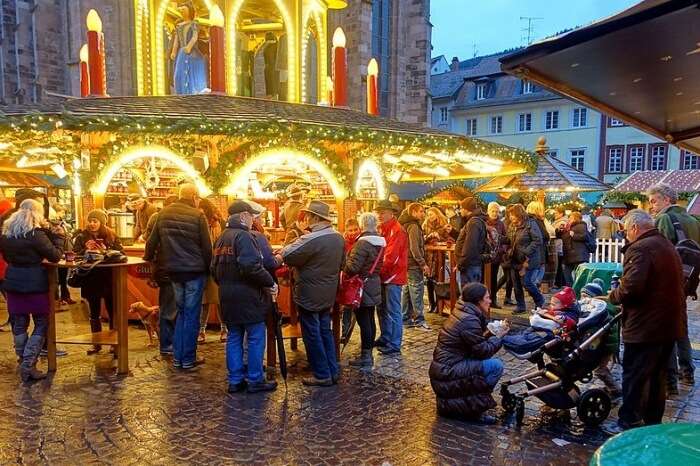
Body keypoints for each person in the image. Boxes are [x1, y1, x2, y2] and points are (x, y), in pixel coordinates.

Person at [605, 209, 686, 434]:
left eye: (625, 231)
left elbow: (631, 288)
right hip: (667, 323)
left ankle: (628, 420)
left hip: (646, 324)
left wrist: (613, 295)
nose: (625, 236)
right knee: (656, 375)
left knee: (635, 374)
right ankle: (652, 421)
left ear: (634, 228)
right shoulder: (665, 245)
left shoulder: (641, 248)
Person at [144, 183, 212, 371]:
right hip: (194, 271)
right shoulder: (198, 215)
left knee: (181, 313)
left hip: (173, 271)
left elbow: (151, 243)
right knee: (191, 315)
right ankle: (188, 358)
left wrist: (149, 260)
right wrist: (209, 269)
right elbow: (207, 247)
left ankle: (177, 358)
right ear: (195, 196)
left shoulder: (163, 214)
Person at [212, 200, 277, 393]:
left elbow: (213, 269)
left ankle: (235, 380)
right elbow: (251, 267)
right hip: (248, 296)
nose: (253, 220)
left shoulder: (221, 238)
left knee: (234, 337)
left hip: (227, 296)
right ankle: (255, 379)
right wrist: (270, 282)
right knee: (256, 337)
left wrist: (225, 285)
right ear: (243, 216)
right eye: (251, 216)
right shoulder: (244, 237)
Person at [279, 200, 344, 386]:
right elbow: (342, 264)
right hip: (328, 292)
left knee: (312, 333)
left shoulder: (309, 239)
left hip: (309, 292)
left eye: (308, 215)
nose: (305, 218)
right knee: (325, 330)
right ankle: (333, 370)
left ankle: (322, 373)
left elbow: (287, 255)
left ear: (315, 218)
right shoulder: (338, 237)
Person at [1, 199, 64, 381]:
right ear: (37, 213)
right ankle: (28, 364)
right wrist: (59, 238)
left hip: (13, 281)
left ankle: (23, 360)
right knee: (41, 323)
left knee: (19, 323)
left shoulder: (6, 234)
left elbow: (6, 256)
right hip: (35, 282)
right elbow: (55, 256)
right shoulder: (35, 234)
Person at [429, 283, 509, 424]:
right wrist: (499, 337)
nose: (490, 301)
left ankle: (467, 404)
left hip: (444, 370)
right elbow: (482, 351)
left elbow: (473, 344)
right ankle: (474, 406)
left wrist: (490, 333)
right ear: (478, 300)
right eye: (488, 298)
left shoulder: (463, 312)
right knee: (496, 366)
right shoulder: (469, 319)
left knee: (488, 366)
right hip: (447, 373)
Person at [647, 183, 698, 392]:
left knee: (664, 330)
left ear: (666, 199)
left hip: (666, 284)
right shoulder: (693, 220)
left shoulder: (664, 219)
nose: (651, 206)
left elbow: (659, 252)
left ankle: (670, 381)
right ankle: (688, 371)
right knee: (681, 325)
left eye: (654, 200)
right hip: (687, 281)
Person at [73, 209, 124, 355]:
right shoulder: (82, 236)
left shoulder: (111, 235)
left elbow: (121, 253)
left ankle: (114, 343)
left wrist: (106, 251)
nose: (92, 224)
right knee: (94, 312)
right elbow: (75, 255)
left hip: (108, 277)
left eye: (95, 221)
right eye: (90, 221)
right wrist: (85, 249)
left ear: (101, 222)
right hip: (90, 277)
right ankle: (96, 344)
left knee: (112, 310)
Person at [343, 212, 385, 368]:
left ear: (362, 225)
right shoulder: (380, 242)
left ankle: (366, 356)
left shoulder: (362, 243)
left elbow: (352, 267)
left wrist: (344, 262)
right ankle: (367, 354)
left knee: (363, 321)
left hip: (362, 286)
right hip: (373, 283)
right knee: (370, 319)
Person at [144, 195, 178, 356]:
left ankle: (169, 343)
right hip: (174, 268)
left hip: (165, 268)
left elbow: (149, 243)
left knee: (169, 307)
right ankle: (168, 344)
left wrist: (150, 262)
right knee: (171, 308)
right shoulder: (163, 219)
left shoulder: (158, 218)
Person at [374, 200, 408, 355]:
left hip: (392, 277)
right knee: (381, 309)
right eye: (378, 212)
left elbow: (391, 257)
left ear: (391, 213)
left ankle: (394, 343)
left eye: (382, 212)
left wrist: (376, 270)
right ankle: (386, 336)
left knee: (393, 310)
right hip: (384, 276)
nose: (379, 215)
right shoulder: (382, 229)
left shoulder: (397, 230)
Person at [580, 279, 622, 397]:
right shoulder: (594, 308)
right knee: (599, 368)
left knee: (600, 370)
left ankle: (615, 389)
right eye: (582, 296)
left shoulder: (602, 311)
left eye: (585, 296)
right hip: (601, 343)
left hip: (606, 345)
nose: (583, 299)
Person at [197, 198, 227, 343]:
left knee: (221, 300)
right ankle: (201, 330)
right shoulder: (198, 223)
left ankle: (224, 329)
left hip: (219, 266)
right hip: (204, 266)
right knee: (204, 301)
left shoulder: (220, 223)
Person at [398, 202, 430, 329]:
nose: (423, 214)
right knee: (417, 290)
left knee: (407, 290)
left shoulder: (404, 224)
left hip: (406, 262)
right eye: (421, 211)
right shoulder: (413, 226)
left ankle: (405, 318)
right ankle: (419, 321)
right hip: (413, 263)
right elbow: (414, 247)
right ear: (413, 212)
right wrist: (423, 263)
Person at [507, 204, 545, 312]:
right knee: (516, 284)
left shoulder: (530, 224)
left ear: (519, 214)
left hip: (529, 259)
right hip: (515, 259)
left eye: (512, 215)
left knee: (527, 283)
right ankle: (520, 305)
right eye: (510, 215)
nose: (511, 217)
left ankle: (539, 300)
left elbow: (538, 240)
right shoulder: (512, 226)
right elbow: (511, 240)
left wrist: (526, 251)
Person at [170, 4, 208, 94]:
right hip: (182, 52)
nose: (182, 11)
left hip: (192, 52)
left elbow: (194, 37)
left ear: (189, 11)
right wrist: (174, 51)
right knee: (179, 73)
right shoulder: (179, 26)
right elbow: (177, 40)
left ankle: (194, 91)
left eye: (184, 9)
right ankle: (182, 92)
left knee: (192, 73)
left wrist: (189, 46)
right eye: (181, 9)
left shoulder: (194, 24)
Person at [455, 197, 489, 288]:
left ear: (466, 209)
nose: (460, 210)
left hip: (470, 265)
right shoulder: (474, 220)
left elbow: (470, 246)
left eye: (461, 208)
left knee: (470, 294)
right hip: (472, 264)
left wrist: (461, 264)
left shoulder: (473, 222)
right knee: (472, 294)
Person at [423, 207, 451, 313]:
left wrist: (439, 237)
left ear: (437, 214)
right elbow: (423, 240)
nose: (430, 216)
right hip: (428, 256)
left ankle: (439, 304)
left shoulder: (443, 225)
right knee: (429, 279)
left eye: (432, 214)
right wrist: (429, 236)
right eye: (428, 214)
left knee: (438, 279)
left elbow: (448, 239)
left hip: (439, 255)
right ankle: (431, 303)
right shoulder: (425, 225)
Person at [341, 218, 361, 341]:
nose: (353, 232)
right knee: (347, 307)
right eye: (350, 230)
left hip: (358, 278)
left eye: (355, 229)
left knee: (359, 309)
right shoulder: (343, 243)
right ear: (346, 231)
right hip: (348, 278)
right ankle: (345, 332)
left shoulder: (361, 242)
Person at [557, 211, 589, 287]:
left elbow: (584, 236)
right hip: (570, 253)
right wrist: (559, 231)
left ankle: (575, 288)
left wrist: (573, 235)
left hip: (577, 254)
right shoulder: (569, 226)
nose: (569, 219)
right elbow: (563, 237)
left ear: (575, 218)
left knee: (576, 273)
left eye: (570, 217)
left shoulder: (581, 225)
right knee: (567, 272)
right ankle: (572, 288)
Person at [486, 202, 507, 309]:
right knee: (486, 279)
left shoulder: (501, 224)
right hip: (486, 256)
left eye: (496, 211)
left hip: (497, 256)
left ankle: (493, 300)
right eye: (492, 211)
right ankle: (485, 300)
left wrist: (502, 249)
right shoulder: (484, 222)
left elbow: (505, 238)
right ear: (488, 211)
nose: (495, 213)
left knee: (493, 279)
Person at [526, 201, 550, 286]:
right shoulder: (537, 221)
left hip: (532, 249)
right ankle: (534, 287)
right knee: (539, 268)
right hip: (539, 250)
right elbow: (544, 235)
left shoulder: (527, 220)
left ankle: (532, 286)